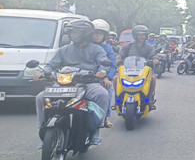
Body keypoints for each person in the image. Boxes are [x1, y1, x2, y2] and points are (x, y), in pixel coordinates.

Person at [34, 19, 110, 147]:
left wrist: (102, 71)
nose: (73, 34)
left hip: (88, 82)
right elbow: (52, 64)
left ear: (85, 33)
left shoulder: (96, 49)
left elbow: (104, 61)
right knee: (40, 97)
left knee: (102, 94)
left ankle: (95, 130)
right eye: (72, 32)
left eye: (77, 31)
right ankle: (43, 131)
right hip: (64, 83)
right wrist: (43, 72)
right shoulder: (64, 50)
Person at [117, 25, 158, 103]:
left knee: (153, 79)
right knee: (116, 78)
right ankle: (118, 98)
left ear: (146, 36)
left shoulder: (150, 47)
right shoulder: (128, 46)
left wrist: (156, 59)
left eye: (143, 34)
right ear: (135, 35)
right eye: (139, 34)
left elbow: (154, 55)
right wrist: (118, 58)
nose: (141, 36)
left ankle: (149, 96)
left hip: (144, 70)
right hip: (128, 70)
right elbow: (121, 54)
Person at [91, 19, 118, 128]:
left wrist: (106, 77)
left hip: (102, 77)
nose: (98, 36)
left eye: (100, 34)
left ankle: (105, 118)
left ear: (104, 36)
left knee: (108, 90)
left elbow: (112, 64)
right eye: (95, 33)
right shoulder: (84, 46)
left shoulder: (107, 48)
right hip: (84, 76)